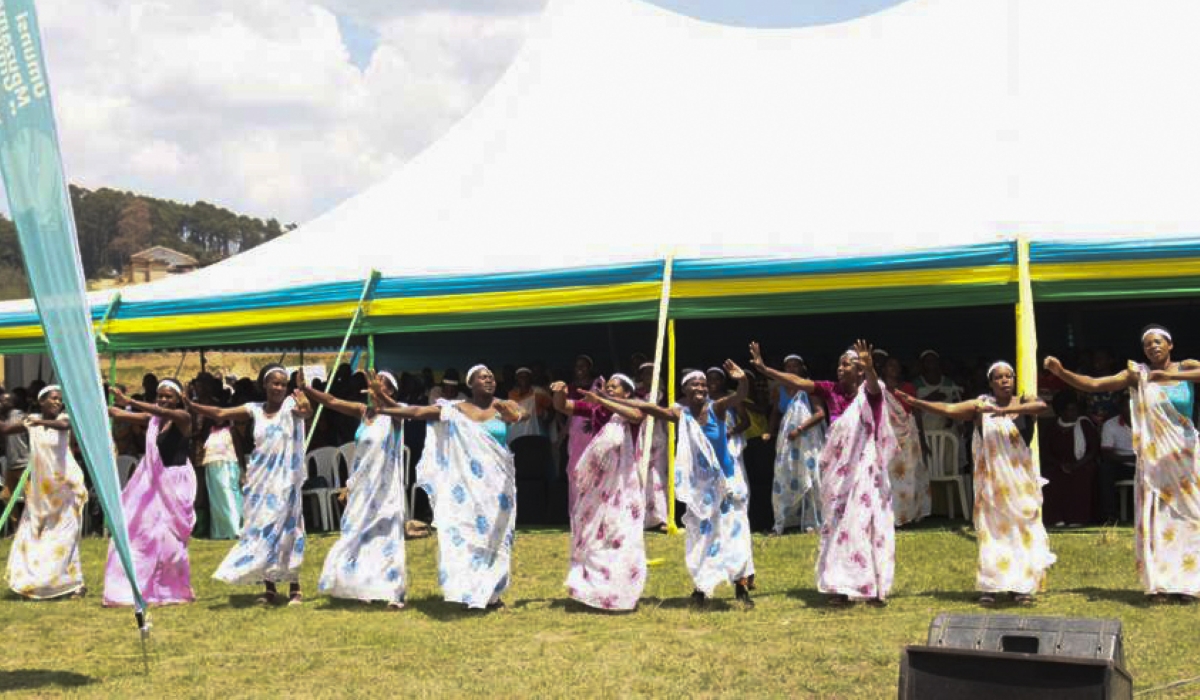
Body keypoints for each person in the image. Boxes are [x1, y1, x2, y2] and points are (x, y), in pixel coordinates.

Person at [1044, 324, 1200, 603]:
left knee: (1189, 517)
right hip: (1154, 460)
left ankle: (1187, 584)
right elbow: (1094, 384)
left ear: (1170, 345)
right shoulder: (1136, 375)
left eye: (1158, 342)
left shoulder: (1186, 365)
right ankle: (1161, 584)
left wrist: (1171, 374)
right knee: (1157, 518)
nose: (1153, 347)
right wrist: (1062, 373)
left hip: (1184, 455)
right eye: (1148, 344)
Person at [750, 340, 894, 607]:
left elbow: (873, 385)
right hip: (838, 475)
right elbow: (798, 381)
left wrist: (872, 368)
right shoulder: (830, 390)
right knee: (839, 528)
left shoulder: (871, 392)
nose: (840, 368)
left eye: (847, 363)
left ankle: (872, 587)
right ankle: (840, 587)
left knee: (866, 525)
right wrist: (765, 369)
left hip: (866, 473)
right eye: (839, 363)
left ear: (860, 369)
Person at [899, 362, 1055, 606]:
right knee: (992, 534)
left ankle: (1021, 587)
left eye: (1008, 377)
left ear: (1014, 380)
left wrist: (1008, 411)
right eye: (998, 378)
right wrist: (918, 403)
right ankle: (991, 587)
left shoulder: (1025, 401)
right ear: (991, 383)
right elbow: (949, 408)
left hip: (1020, 484)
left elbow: (1042, 407)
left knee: (1021, 533)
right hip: (992, 485)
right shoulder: (981, 406)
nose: (1004, 381)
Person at [374, 365, 524, 610]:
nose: (489, 380)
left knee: (497, 536)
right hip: (467, 487)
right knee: (469, 534)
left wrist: (514, 415)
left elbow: (522, 415)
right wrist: (384, 407)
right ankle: (471, 589)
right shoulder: (456, 409)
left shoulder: (504, 405)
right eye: (482, 377)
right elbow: (419, 411)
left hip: (498, 486)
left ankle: (493, 593)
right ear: (471, 384)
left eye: (490, 377)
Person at [618, 360, 755, 607]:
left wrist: (742, 379)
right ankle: (702, 586)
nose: (701, 387)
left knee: (733, 534)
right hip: (700, 490)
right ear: (685, 390)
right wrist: (609, 400)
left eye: (703, 384)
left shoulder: (718, 408)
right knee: (700, 537)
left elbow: (741, 396)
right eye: (695, 384)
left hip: (726, 484)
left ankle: (741, 586)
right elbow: (646, 407)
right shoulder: (680, 414)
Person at [187, 364, 312, 606]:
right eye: (274, 383)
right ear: (264, 385)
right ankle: (269, 588)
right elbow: (221, 414)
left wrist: (304, 395)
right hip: (260, 481)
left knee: (288, 531)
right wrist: (193, 406)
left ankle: (295, 587)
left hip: (286, 482)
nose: (279, 388)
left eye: (283, 384)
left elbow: (306, 412)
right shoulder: (253, 409)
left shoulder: (290, 405)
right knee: (261, 530)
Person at [301, 369, 407, 609]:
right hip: (361, 486)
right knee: (357, 533)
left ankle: (394, 593)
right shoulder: (363, 412)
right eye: (374, 383)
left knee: (386, 534)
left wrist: (384, 398)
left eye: (381, 384)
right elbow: (332, 401)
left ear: (389, 391)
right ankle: (363, 586)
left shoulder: (395, 414)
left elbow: (400, 411)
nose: (373, 386)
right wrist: (308, 390)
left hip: (385, 487)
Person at [551, 374, 647, 610]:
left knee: (619, 533)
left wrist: (602, 400)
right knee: (594, 532)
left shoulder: (633, 408)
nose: (609, 389)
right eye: (608, 386)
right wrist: (560, 391)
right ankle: (592, 590)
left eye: (615, 387)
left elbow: (636, 416)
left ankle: (621, 592)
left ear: (627, 393)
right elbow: (563, 406)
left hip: (623, 485)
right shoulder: (597, 409)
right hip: (598, 484)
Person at [103, 380, 198, 606]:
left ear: (178, 399)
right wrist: (97, 402)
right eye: (160, 395)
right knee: (142, 531)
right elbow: (117, 413)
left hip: (175, 484)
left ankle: (171, 587)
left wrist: (131, 401)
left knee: (169, 541)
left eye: (169, 396)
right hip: (152, 482)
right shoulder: (153, 420)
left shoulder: (183, 418)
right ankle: (135, 585)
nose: (163, 400)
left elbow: (161, 411)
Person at [3, 386, 88, 599]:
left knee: (66, 537)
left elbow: (64, 425)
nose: (57, 402)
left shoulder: (64, 418)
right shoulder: (31, 420)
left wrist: (39, 423)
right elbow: (5, 429)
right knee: (36, 535)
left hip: (67, 488)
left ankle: (74, 583)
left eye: (60, 399)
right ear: (41, 402)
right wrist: (30, 422)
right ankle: (33, 582)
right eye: (53, 399)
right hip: (43, 493)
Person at [762, 354, 826, 535]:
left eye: (795, 366)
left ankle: (812, 522)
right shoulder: (780, 389)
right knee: (785, 476)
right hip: (788, 440)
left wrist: (800, 428)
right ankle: (783, 522)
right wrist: (769, 430)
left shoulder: (808, 388)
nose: (791, 369)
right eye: (788, 366)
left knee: (809, 476)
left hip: (807, 439)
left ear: (802, 369)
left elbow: (820, 413)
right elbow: (776, 412)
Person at [879, 354, 930, 526]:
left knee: (910, 474)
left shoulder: (908, 387)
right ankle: (892, 516)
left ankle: (909, 514)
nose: (894, 368)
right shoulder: (878, 388)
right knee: (891, 476)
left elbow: (916, 413)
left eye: (897, 365)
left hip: (910, 435)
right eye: (890, 365)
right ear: (884, 369)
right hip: (888, 437)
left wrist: (923, 439)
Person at [1041, 391, 1100, 526]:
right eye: (1069, 410)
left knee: (1081, 477)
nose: (1073, 413)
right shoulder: (1052, 427)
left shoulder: (1084, 424)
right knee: (1050, 477)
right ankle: (1056, 518)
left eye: (1075, 410)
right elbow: (1045, 451)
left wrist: (1076, 465)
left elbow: (1093, 450)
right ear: (1061, 412)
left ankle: (1077, 518)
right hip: (1057, 465)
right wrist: (1060, 465)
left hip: (1082, 464)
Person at [565, 354, 606, 520]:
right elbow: (566, 412)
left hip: (594, 428)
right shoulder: (570, 387)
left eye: (584, 366)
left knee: (596, 468)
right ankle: (578, 512)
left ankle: (596, 512)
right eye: (577, 366)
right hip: (576, 431)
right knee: (575, 468)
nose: (580, 370)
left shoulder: (599, 384)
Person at [634, 362, 669, 530]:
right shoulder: (634, 393)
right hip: (640, 436)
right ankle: (642, 517)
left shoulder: (663, 394)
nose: (649, 377)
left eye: (652, 373)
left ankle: (661, 517)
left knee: (658, 476)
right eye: (646, 374)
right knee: (640, 475)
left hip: (658, 436)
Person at [1099, 394, 1136, 524]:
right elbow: (1107, 454)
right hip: (1121, 464)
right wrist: (1132, 458)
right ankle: (1111, 516)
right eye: (1128, 406)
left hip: (1144, 464)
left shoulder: (1148, 422)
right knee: (1105, 469)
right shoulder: (1110, 425)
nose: (1132, 409)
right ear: (1120, 408)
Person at [0, 387, 30, 513]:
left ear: (12, 403)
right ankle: (16, 526)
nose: (1, 403)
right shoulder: (5, 418)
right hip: (11, 466)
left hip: (24, 465)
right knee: (6, 497)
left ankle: (34, 527)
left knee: (30, 499)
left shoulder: (20, 418)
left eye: (3, 401)